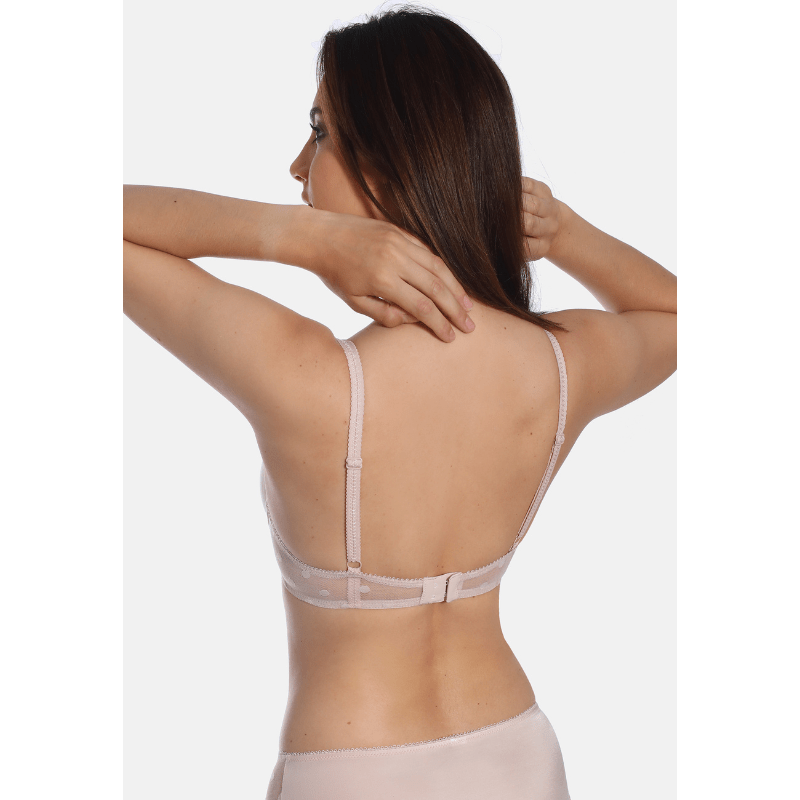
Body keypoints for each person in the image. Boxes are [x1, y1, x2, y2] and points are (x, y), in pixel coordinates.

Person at [124, 6, 676, 799]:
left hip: (355, 768)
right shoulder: (560, 366)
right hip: (517, 752)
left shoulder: (304, 374)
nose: (296, 166)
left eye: (320, 133)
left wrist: (297, 239)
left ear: (384, 167)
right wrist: (567, 233)